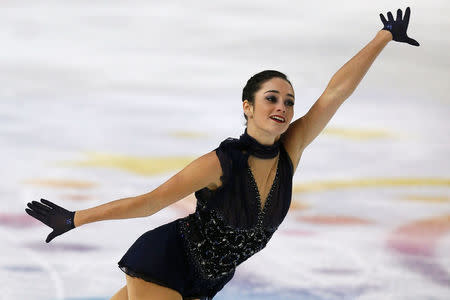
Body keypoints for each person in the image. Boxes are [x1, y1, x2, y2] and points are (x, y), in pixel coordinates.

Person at [25, 7, 419, 300]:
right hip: (166, 261)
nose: (281, 107)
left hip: (210, 279)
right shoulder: (220, 164)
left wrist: (383, 37)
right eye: (271, 98)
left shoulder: (290, 153)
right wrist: (76, 218)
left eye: (289, 101)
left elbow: (334, 94)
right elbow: (149, 203)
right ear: (248, 106)